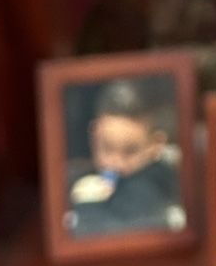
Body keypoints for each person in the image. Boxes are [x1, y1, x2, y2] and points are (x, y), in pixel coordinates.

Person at [67, 79, 182, 238]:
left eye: (130, 151)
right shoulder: (70, 180)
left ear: (156, 145)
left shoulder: (160, 184)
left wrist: (85, 206)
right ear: (94, 135)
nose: (115, 163)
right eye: (106, 147)